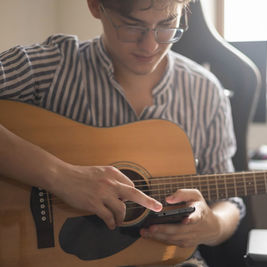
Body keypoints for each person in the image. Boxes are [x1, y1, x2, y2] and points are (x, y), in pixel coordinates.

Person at [0, 0, 244, 266]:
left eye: (166, 25)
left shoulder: (206, 91)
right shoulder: (51, 67)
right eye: (131, 26)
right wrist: (60, 177)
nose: (150, 46)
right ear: (96, 6)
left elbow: (228, 197)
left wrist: (213, 224)